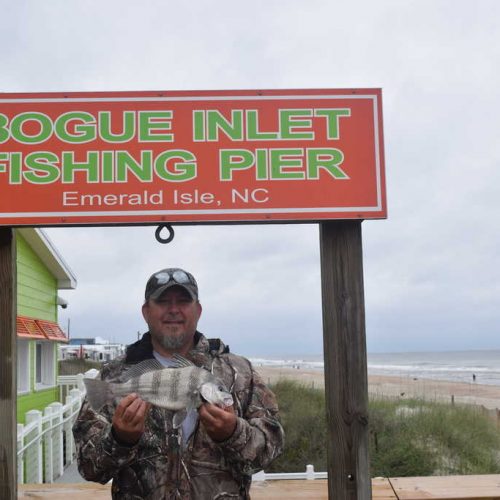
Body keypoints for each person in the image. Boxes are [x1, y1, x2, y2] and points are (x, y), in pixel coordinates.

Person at [73, 268, 284, 499]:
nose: (173, 310)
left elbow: (271, 449)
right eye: (163, 301)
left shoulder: (240, 372)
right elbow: (88, 466)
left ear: (198, 310)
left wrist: (233, 433)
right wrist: (120, 438)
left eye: (183, 301)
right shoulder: (112, 377)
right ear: (146, 311)